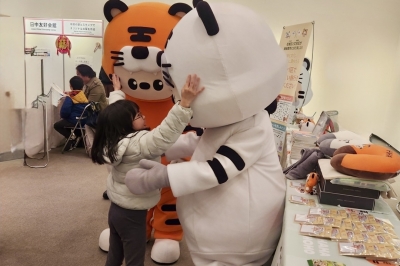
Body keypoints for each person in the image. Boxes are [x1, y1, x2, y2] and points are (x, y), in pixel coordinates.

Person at [91, 73, 204, 266]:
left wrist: (118, 93)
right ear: (127, 124)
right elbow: (164, 134)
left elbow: (113, 114)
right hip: (133, 215)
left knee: (115, 254)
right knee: (135, 259)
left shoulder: (112, 138)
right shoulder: (140, 143)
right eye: (138, 116)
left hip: (116, 209)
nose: (143, 117)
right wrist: (184, 103)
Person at [54, 76, 88, 150]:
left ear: (71, 86)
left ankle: (71, 137)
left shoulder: (70, 97)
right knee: (69, 123)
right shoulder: (83, 95)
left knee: (57, 125)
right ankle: (74, 138)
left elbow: (65, 112)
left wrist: (63, 117)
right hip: (83, 120)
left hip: (74, 121)